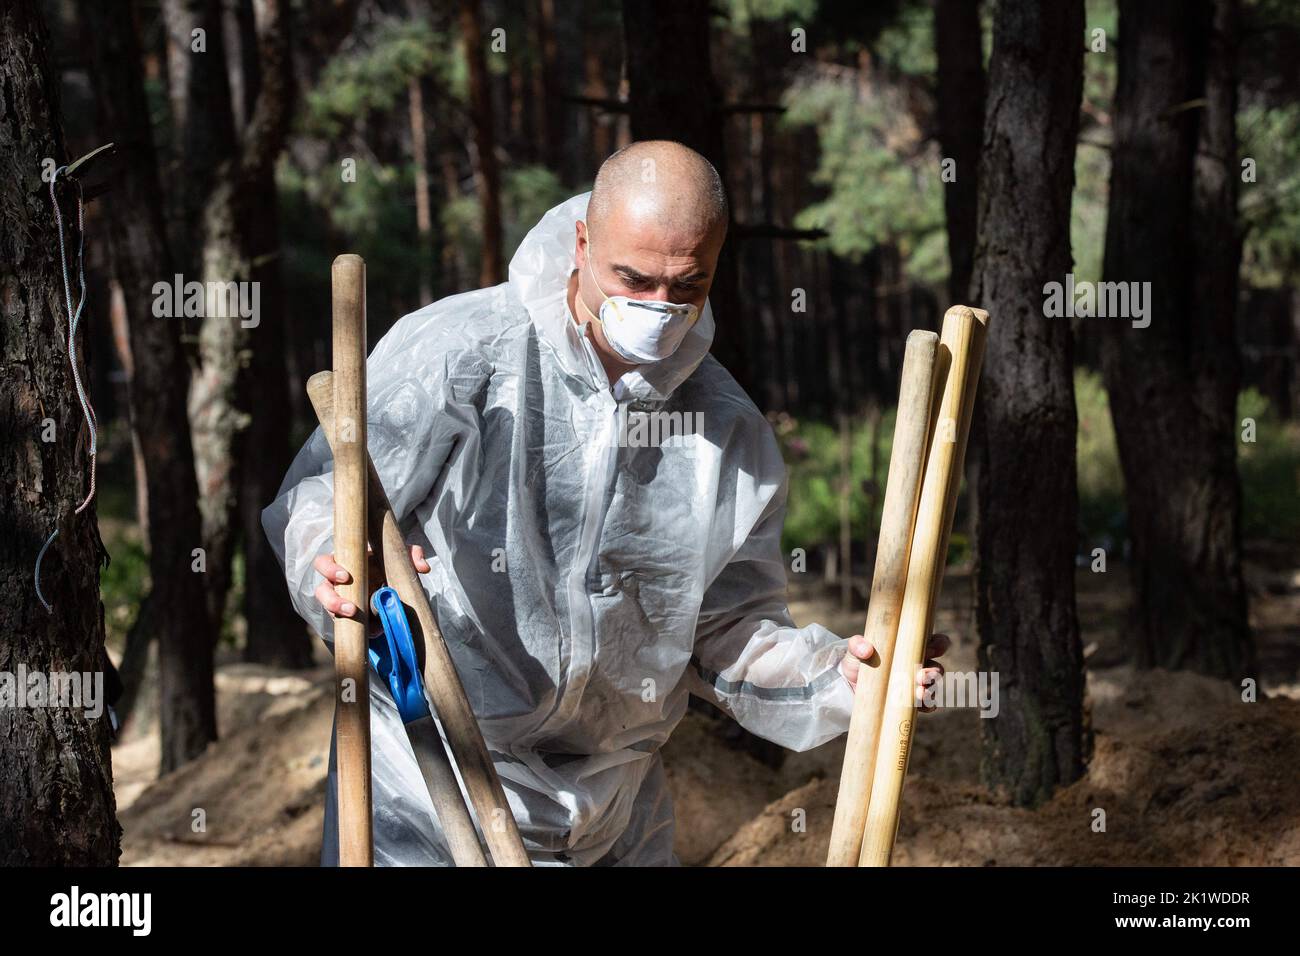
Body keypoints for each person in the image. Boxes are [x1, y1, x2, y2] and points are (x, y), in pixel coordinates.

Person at [263, 140, 948, 866]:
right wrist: (333, 560)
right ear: (584, 241)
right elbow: (326, 495)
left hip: (612, 812)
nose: (658, 308)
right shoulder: (462, 350)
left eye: (687, 285)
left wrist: (836, 679)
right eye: (634, 277)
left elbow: (728, 630)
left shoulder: (724, 428)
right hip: (427, 782)